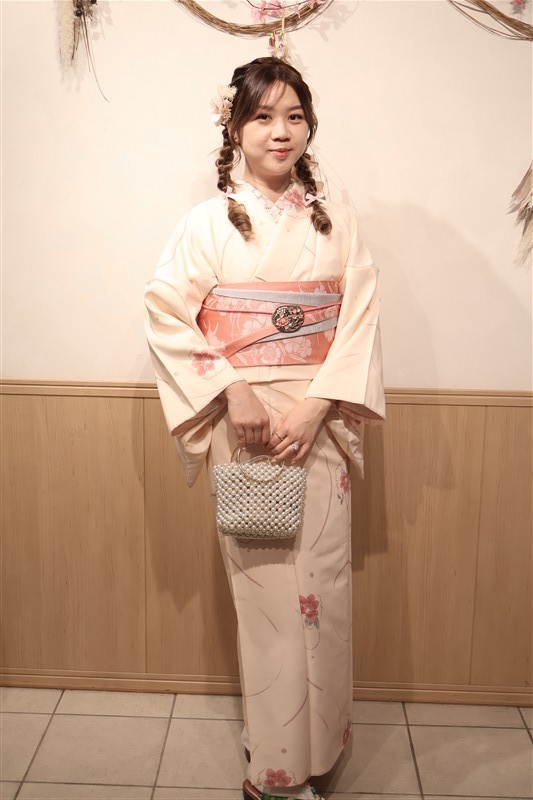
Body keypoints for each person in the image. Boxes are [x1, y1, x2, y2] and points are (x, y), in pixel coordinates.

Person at [144, 56, 385, 800]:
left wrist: (318, 405)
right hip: (243, 427)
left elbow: (360, 321)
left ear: (309, 126)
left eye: (294, 116)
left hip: (318, 423)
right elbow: (166, 312)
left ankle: (321, 746)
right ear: (235, 128)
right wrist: (232, 389)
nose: (281, 132)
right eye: (262, 117)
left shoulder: (338, 223)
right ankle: (275, 765)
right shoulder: (205, 224)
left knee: (324, 590)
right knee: (267, 600)